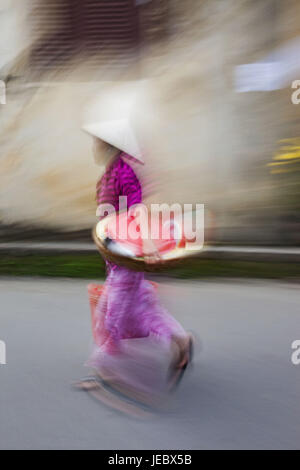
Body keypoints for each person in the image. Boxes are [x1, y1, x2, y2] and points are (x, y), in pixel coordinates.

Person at [76, 90, 193, 405]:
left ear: (109, 144)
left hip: (126, 261)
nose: (94, 146)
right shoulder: (113, 173)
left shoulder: (122, 174)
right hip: (121, 258)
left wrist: (150, 246)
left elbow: (137, 210)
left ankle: (109, 375)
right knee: (143, 311)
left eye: (97, 141)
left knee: (109, 318)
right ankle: (179, 339)